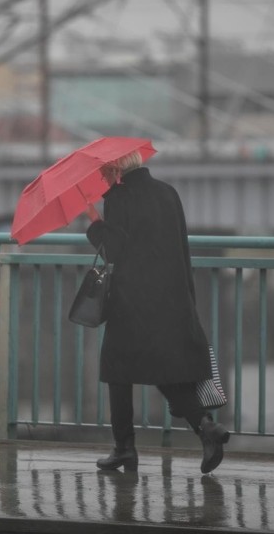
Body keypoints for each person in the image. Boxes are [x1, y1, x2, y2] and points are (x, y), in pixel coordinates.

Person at [83, 150, 229, 474]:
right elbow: (182, 246)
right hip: (173, 299)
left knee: (115, 370)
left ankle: (124, 449)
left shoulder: (118, 198)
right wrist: (188, 298)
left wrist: (95, 223)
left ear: (117, 167)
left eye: (106, 168)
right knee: (167, 372)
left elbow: (115, 252)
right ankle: (207, 427)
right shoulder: (168, 193)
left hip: (133, 304)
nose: (103, 175)